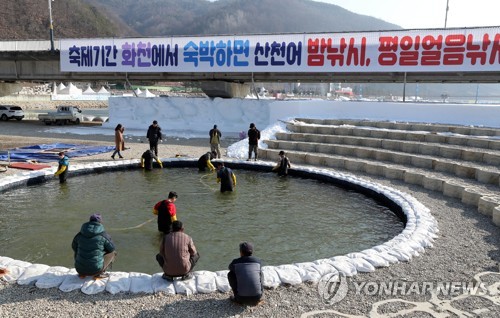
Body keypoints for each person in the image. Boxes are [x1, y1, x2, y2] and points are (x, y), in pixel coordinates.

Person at [71, 213, 117, 279]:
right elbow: (112, 249)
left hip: (79, 269)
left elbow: (73, 246)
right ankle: (99, 274)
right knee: (113, 253)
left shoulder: (80, 234)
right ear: (100, 222)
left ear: (90, 220)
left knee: (78, 250)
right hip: (96, 270)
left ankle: (82, 274)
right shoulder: (103, 235)